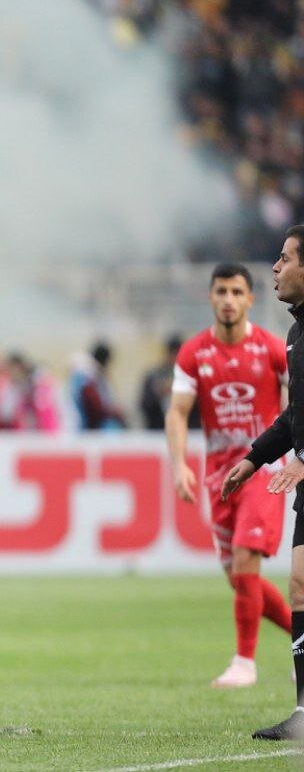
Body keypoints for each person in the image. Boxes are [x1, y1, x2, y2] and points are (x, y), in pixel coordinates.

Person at [166, 263, 290, 688]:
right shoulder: (194, 353)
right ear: (211, 297)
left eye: (237, 292)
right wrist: (178, 463)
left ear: (250, 299)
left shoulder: (273, 349)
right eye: (221, 291)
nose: (228, 300)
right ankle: (301, 636)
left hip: (263, 469)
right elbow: (177, 412)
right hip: (220, 476)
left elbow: (299, 400)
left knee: (244, 560)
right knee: (240, 579)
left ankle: (244, 663)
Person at [224, 225, 304, 739]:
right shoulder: (295, 335)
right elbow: (297, 415)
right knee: (300, 586)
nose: (275, 267)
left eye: (285, 258)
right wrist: (255, 459)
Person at [72, 341, 127, 429]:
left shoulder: (99, 377)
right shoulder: (87, 378)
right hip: (93, 427)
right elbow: (96, 408)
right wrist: (114, 412)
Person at [141, 335, 185, 430]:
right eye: (173, 353)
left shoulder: (190, 377)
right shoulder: (153, 376)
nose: (175, 357)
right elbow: (144, 404)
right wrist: (158, 393)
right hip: (158, 427)